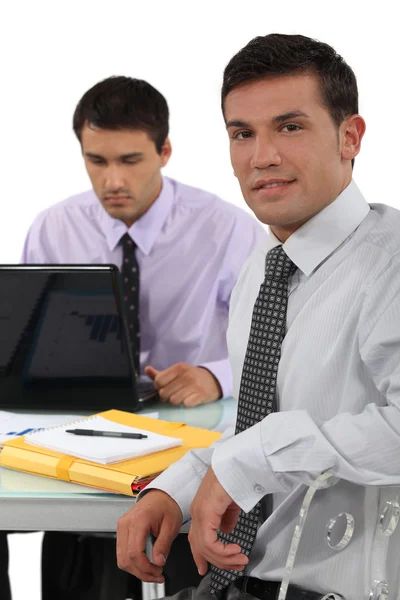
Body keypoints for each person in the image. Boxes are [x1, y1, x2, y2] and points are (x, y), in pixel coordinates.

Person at [116, 33, 400, 600]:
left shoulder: (390, 264)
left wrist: (254, 457)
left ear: (351, 137)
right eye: (242, 133)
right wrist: (175, 488)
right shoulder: (262, 272)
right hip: (243, 580)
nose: (261, 156)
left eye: (289, 127)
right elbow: (254, 429)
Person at [3, 77, 265, 600]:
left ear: (165, 151)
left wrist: (214, 374)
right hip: (80, 435)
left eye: (129, 159)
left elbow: (272, 339)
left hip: (188, 440)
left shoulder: (226, 228)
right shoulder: (54, 227)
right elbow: (26, 343)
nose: (112, 180)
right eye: (96, 161)